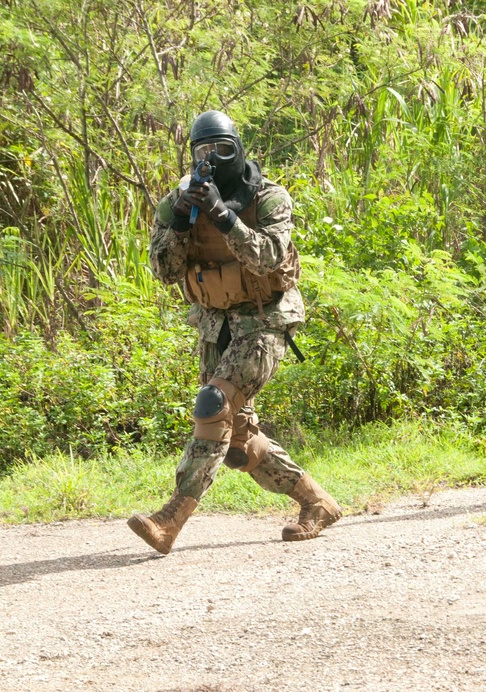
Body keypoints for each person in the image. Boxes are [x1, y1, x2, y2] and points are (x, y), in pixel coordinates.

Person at [128, 110, 341, 553]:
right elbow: (164, 272)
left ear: (238, 148)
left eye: (221, 149)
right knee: (237, 440)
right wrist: (182, 224)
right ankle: (317, 502)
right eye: (202, 151)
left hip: (265, 321)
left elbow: (267, 258)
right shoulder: (177, 201)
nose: (211, 159)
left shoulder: (268, 196)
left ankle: (170, 519)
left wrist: (224, 216)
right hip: (215, 324)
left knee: (213, 406)